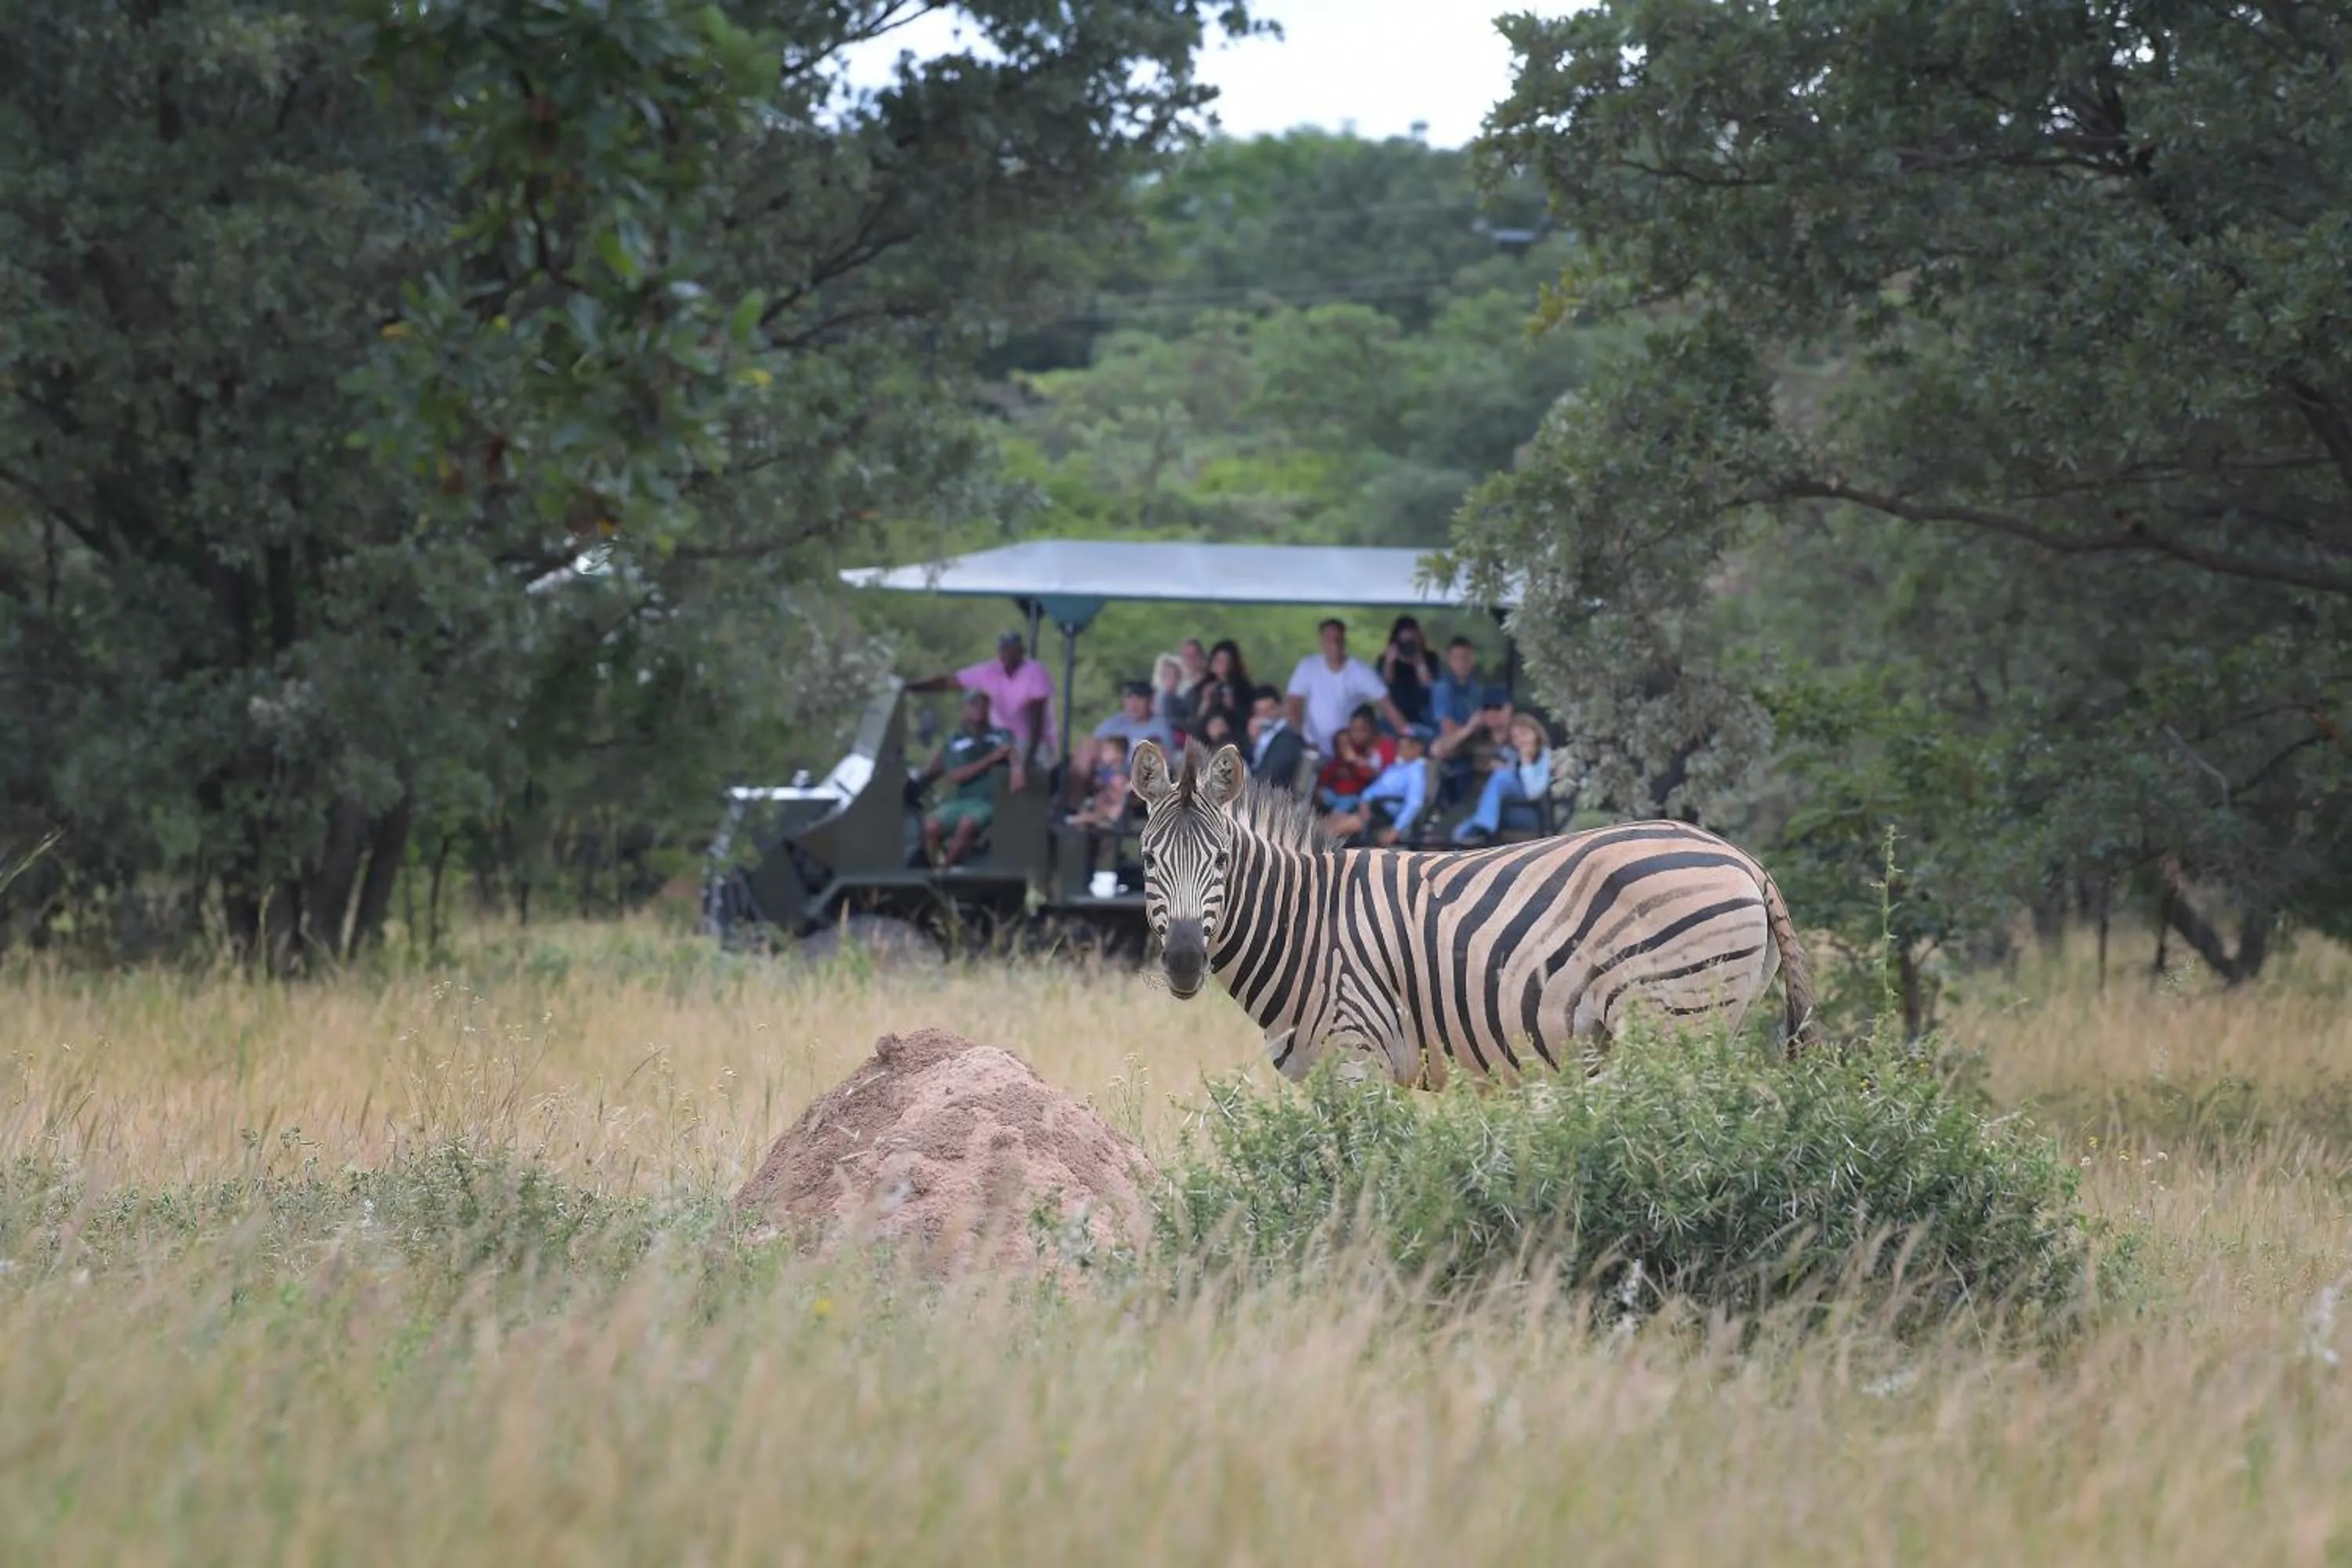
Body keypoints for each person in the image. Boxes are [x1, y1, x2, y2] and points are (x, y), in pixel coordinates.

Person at [907, 632, 1057, 770]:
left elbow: (1037, 715)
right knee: (954, 747)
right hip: (999, 739)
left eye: (1012, 649)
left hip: (1031, 742)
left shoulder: (1035, 671)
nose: (1007, 654)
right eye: (1004, 649)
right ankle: (919, 785)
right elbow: (949, 682)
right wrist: (910, 687)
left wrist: (1031, 754)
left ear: (1021, 651)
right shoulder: (990, 671)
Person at [919, 691, 1015, 868]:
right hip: (961, 800)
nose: (978, 709)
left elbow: (1014, 757)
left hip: (988, 802)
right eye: (973, 704)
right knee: (930, 825)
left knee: (967, 823)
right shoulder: (955, 741)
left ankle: (946, 869)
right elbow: (956, 776)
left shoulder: (1001, 736)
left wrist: (1016, 767)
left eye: (983, 705)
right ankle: (935, 868)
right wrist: (990, 759)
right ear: (964, 709)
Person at [1285, 618, 1406, 755]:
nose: (1334, 644)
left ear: (1344, 641)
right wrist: (1298, 737)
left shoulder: (1361, 671)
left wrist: (1407, 735)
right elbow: (1293, 704)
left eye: (1338, 638)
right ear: (1322, 642)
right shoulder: (1307, 667)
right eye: (1329, 639)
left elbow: (1387, 706)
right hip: (1313, 747)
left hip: (1350, 750)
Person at [1450, 711, 1555, 846]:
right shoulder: (1512, 753)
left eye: (1524, 734)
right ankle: (1471, 828)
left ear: (1536, 733)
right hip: (1508, 803)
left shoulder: (1544, 756)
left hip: (1532, 806)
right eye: (1515, 737)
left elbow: (1533, 792)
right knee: (1498, 777)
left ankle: (1482, 826)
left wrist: (1526, 763)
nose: (1520, 741)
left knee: (1501, 777)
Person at [1069, 681, 1177, 808]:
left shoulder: (1159, 726)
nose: (1134, 703)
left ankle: (1120, 811)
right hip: (1107, 771)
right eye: (1129, 698)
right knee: (1086, 744)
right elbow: (1093, 745)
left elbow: (1165, 759)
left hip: (1136, 778)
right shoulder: (1115, 722)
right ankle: (1072, 806)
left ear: (1150, 702)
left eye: (1139, 698)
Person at [1324, 724, 1434, 848]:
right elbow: (1373, 789)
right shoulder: (1397, 766)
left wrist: (1396, 830)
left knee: (1334, 829)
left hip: (1384, 815)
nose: (1400, 746)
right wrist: (1365, 801)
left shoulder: (1416, 771)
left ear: (1418, 748)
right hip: (1369, 808)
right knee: (1328, 821)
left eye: (1406, 743)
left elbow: (1414, 804)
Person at [1377, 615, 1439, 728]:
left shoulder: (1430, 658)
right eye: (1404, 642)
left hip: (1423, 714)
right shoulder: (1386, 660)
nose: (1408, 646)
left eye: (1412, 641)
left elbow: (1429, 686)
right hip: (1394, 713)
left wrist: (1420, 663)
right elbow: (1383, 686)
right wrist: (1389, 663)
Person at [1246, 685, 1308, 793]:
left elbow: (1268, 777)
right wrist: (1253, 742)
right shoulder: (1261, 734)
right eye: (1259, 711)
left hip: (1277, 799)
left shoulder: (1288, 739)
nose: (1265, 716)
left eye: (1269, 709)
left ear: (1280, 708)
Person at [1069, 734, 1133, 829]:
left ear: (1119, 754)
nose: (1102, 753)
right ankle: (1082, 818)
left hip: (1116, 805)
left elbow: (1122, 784)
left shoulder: (1124, 770)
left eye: (1107, 750)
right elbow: (1100, 781)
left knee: (1109, 810)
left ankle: (1079, 819)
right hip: (1103, 802)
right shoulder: (1103, 770)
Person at [1192, 639, 1253, 727]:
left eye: (1225, 661)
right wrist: (1206, 702)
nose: (1220, 665)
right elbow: (1194, 720)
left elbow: (1247, 718)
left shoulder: (1244, 688)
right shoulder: (1201, 687)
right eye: (1217, 660)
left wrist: (1232, 706)